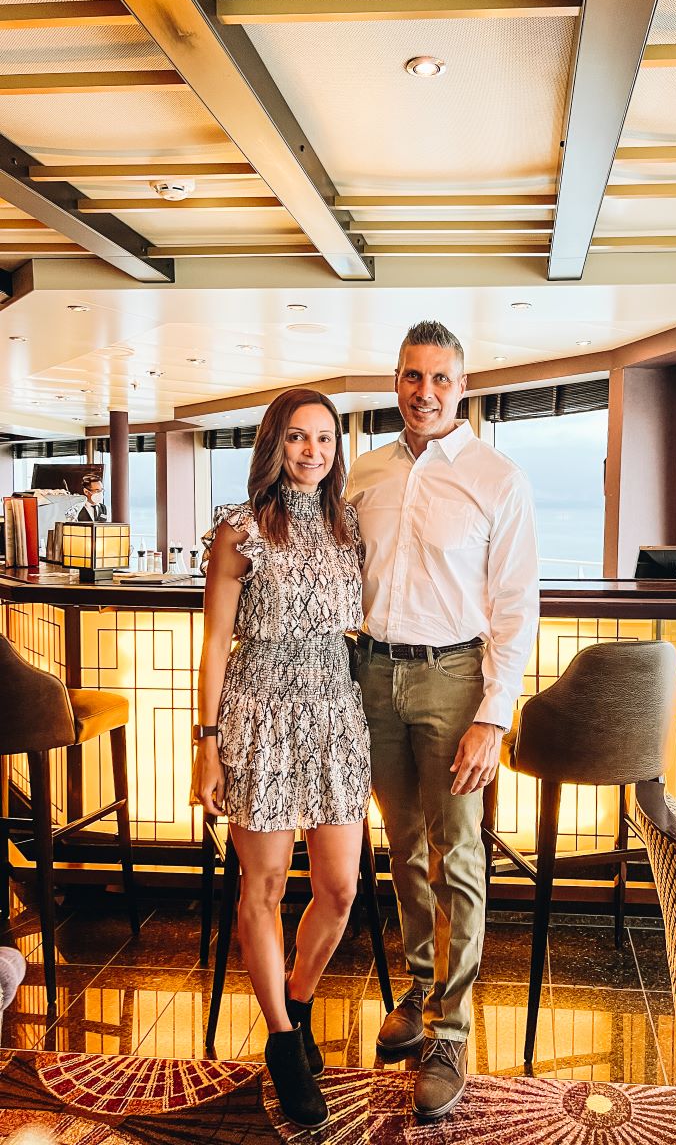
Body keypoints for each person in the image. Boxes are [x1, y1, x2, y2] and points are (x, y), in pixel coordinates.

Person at [346, 321, 539, 1120]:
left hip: (455, 677)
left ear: (463, 387)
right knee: (402, 847)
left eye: (441, 379)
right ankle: (420, 990)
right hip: (372, 672)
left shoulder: (498, 479)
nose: (424, 392)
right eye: (411, 377)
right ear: (396, 381)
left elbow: (516, 607)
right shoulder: (362, 472)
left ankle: (453, 1033)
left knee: (458, 852)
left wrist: (492, 718)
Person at [192, 388, 370, 1130]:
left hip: (333, 712)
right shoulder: (238, 532)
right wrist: (205, 743)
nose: (312, 452)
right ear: (274, 445)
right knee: (261, 887)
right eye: (297, 438)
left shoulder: (346, 524)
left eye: (324, 439)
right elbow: (213, 643)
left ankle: (295, 999)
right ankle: (282, 1041)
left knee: (338, 888)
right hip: (258, 714)